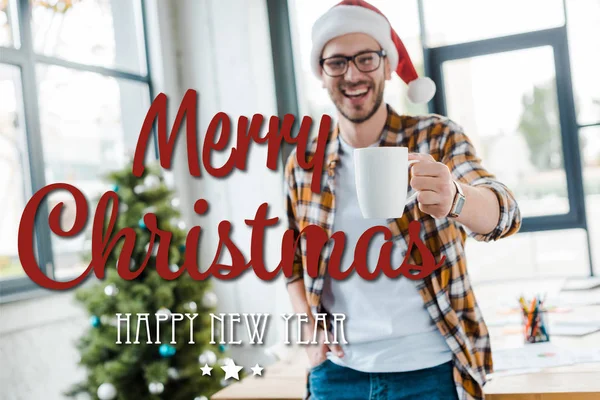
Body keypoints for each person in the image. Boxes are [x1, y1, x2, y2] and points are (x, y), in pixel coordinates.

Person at [283, 1, 521, 399]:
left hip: (431, 372)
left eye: (366, 58)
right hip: (338, 375)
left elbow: (505, 212)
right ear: (321, 76)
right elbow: (291, 254)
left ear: (388, 66)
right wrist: (307, 323)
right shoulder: (304, 161)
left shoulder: (437, 137)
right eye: (337, 62)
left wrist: (456, 198)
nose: (353, 74)